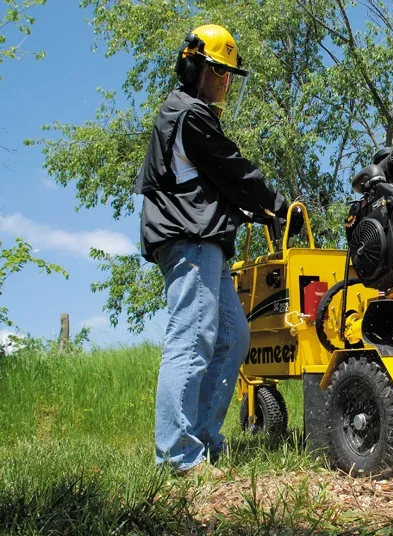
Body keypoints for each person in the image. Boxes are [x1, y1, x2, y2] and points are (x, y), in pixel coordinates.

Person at [134, 24, 289, 475]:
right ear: (199, 69)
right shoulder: (187, 114)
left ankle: (201, 440)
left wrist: (256, 212)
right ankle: (177, 455)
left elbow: (216, 183)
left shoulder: (189, 116)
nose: (226, 83)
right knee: (192, 338)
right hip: (190, 240)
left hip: (208, 242)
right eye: (222, 73)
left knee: (233, 337)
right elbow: (234, 171)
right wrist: (274, 205)